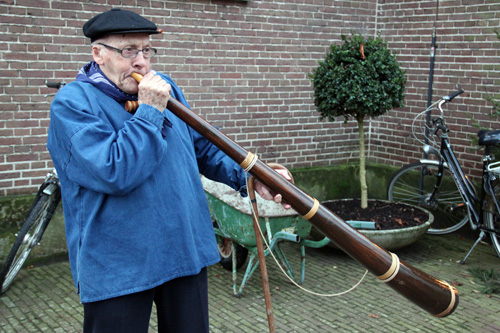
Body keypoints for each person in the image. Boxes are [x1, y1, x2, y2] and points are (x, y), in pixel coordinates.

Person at [47, 8, 291, 333]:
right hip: (119, 265)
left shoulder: (166, 89)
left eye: (146, 50)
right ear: (98, 54)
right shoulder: (73, 103)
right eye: (129, 50)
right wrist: (149, 111)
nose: (141, 62)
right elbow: (114, 170)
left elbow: (202, 146)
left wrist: (251, 175)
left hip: (183, 250)